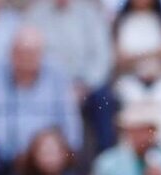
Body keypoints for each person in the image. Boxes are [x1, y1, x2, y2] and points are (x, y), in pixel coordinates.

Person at [0, 25, 81, 175]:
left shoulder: (57, 76)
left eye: (33, 54)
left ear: (41, 55)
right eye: (22, 53)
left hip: (41, 158)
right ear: (12, 52)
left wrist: (67, 151)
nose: (27, 59)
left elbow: (70, 123)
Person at [26, 0, 117, 153]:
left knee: (105, 99)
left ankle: (105, 160)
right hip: (48, 85)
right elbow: (32, 54)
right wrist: (59, 86)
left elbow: (102, 57)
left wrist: (84, 85)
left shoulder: (90, 13)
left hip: (86, 86)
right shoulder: (36, 14)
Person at [110, 0, 161, 148]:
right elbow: (119, 60)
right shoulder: (122, 22)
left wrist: (140, 57)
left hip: (160, 80)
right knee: (133, 105)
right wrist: (153, 54)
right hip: (131, 81)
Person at [91, 100, 161, 175]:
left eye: (146, 129)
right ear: (127, 131)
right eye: (135, 130)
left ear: (154, 131)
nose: (141, 135)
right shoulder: (107, 162)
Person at [13, 124, 82, 175]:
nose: (49, 158)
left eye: (53, 152)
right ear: (34, 155)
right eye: (45, 152)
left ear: (64, 153)